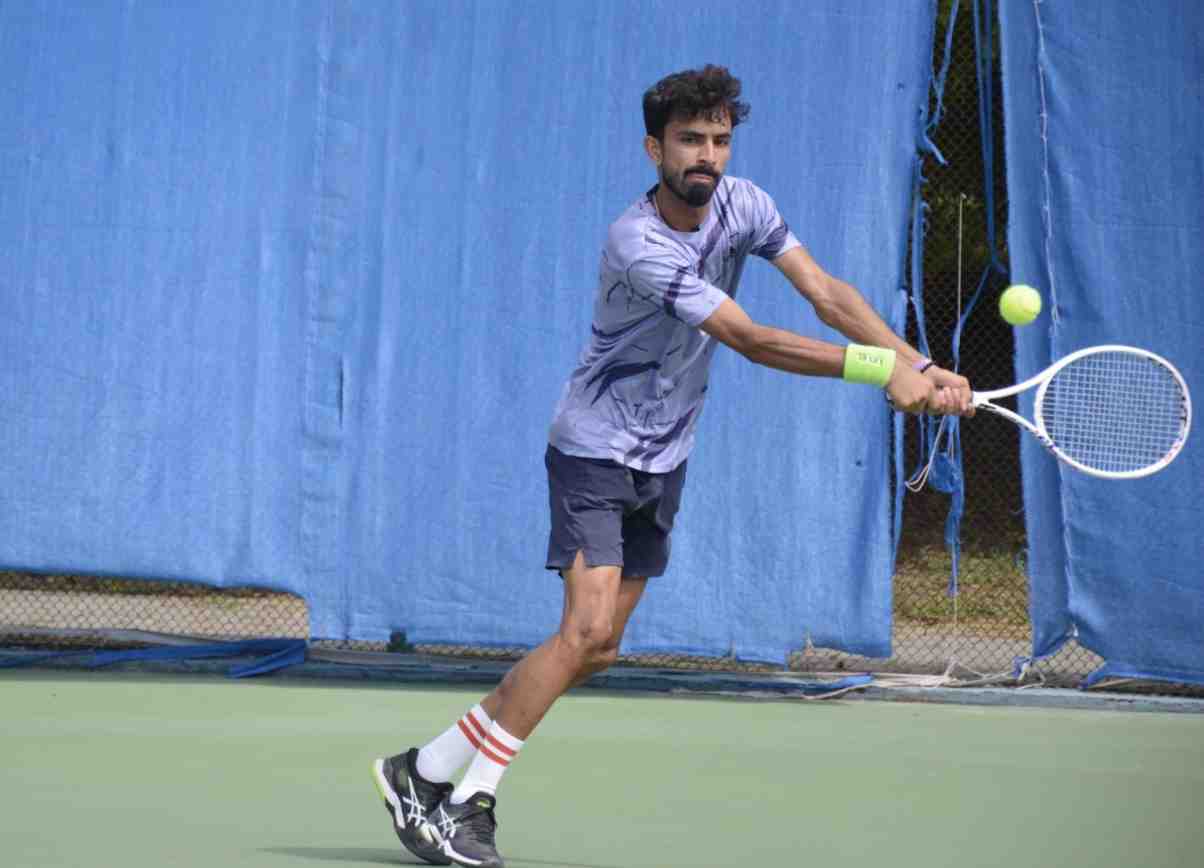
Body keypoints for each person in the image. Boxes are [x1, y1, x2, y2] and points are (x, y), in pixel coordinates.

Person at [372, 64, 973, 868]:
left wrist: (919, 362)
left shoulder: (745, 204)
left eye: (720, 140)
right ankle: (467, 803)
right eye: (691, 140)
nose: (709, 156)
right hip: (594, 449)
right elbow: (752, 338)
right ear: (654, 147)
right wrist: (875, 374)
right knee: (580, 631)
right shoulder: (639, 242)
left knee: (599, 647)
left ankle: (426, 769)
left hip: (665, 456)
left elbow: (826, 293)